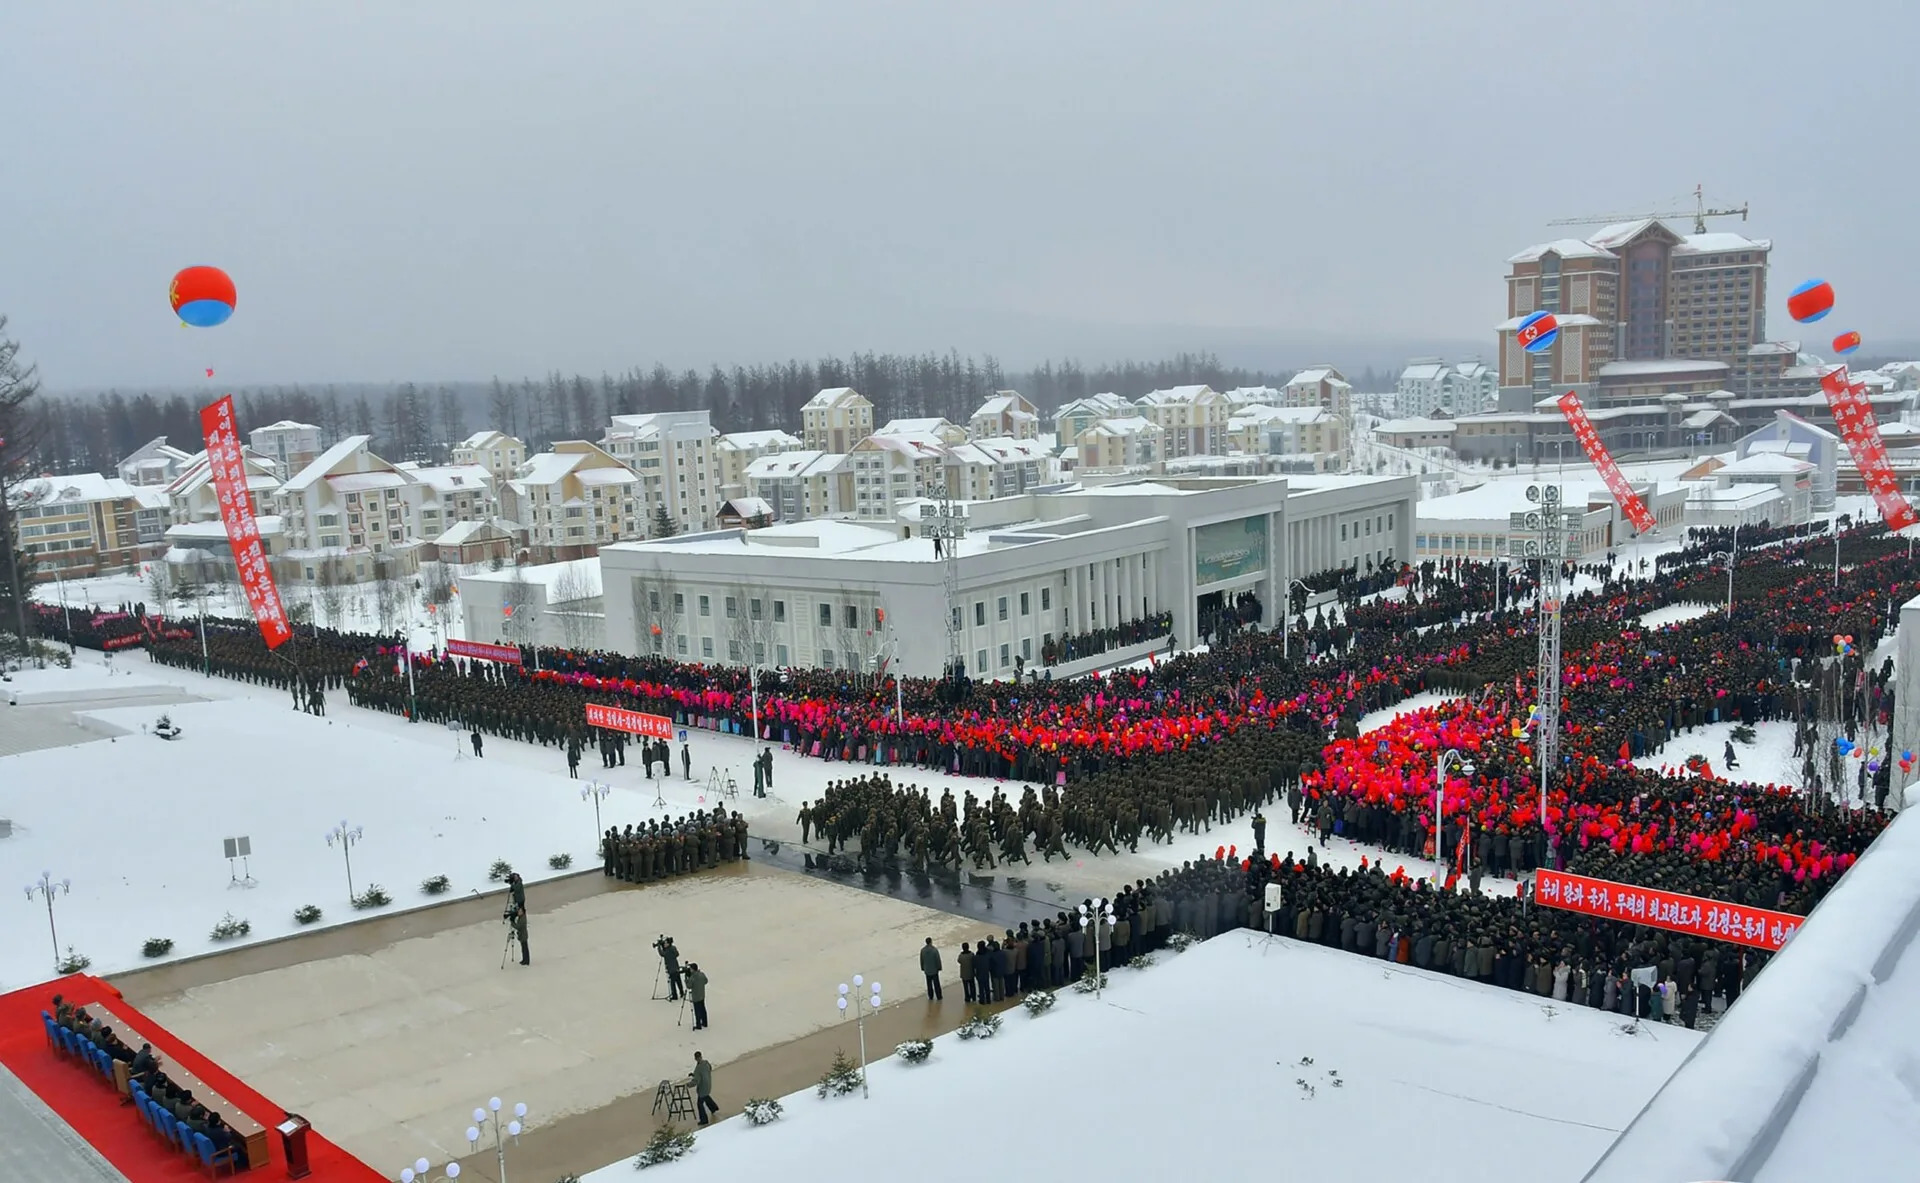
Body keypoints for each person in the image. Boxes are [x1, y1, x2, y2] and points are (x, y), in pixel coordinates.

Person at [507, 872, 530, 965]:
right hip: (523, 935)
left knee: (524, 947)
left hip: (520, 899)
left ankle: (526, 960)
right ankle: (525, 960)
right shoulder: (522, 916)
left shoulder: (519, 883)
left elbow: (518, 926)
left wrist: (512, 921)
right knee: (524, 947)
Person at [691, 1051, 717, 1126]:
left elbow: (696, 1080)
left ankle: (704, 1120)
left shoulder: (698, 1068)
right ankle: (713, 1108)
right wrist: (695, 1075)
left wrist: (689, 1085)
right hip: (708, 1084)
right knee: (706, 1097)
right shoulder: (706, 1063)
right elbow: (708, 1070)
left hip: (702, 1088)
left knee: (700, 1104)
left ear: (695, 1058)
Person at [684, 962, 710, 1030]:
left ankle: (698, 1025)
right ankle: (705, 1022)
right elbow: (706, 981)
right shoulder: (701, 974)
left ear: (693, 969)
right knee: (702, 1009)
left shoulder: (693, 977)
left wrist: (686, 980)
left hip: (696, 997)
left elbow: (689, 986)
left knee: (697, 1011)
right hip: (702, 995)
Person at [920, 936, 943, 1001]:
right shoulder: (934, 950)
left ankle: (930, 996)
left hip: (927, 970)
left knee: (929, 984)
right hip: (934, 970)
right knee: (936, 984)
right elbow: (937, 959)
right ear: (931, 942)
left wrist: (922, 968)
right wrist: (939, 967)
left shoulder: (923, 950)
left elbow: (921, 960)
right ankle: (939, 996)